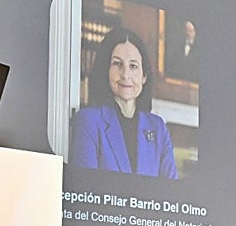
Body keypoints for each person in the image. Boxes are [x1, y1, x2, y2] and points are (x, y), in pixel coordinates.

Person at [69, 28, 178, 179]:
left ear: (144, 76)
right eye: (117, 64)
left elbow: (172, 195)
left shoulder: (158, 128)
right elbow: (85, 190)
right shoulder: (88, 122)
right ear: (106, 71)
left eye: (133, 66)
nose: (125, 74)